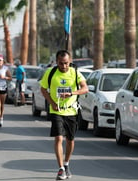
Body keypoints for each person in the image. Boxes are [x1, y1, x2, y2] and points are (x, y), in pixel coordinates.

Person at [40, 50, 88, 180]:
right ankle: (61, 168)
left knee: (70, 140)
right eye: (61, 64)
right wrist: (52, 102)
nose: (64, 66)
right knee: (58, 138)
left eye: (66, 63)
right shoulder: (50, 73)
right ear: (57, 62)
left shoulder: (75, 73)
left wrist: (72, 93)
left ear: (70, 61)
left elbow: (85, 88)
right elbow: (43, 89)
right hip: (57, 110)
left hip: (71, 111)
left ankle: (66, 163)